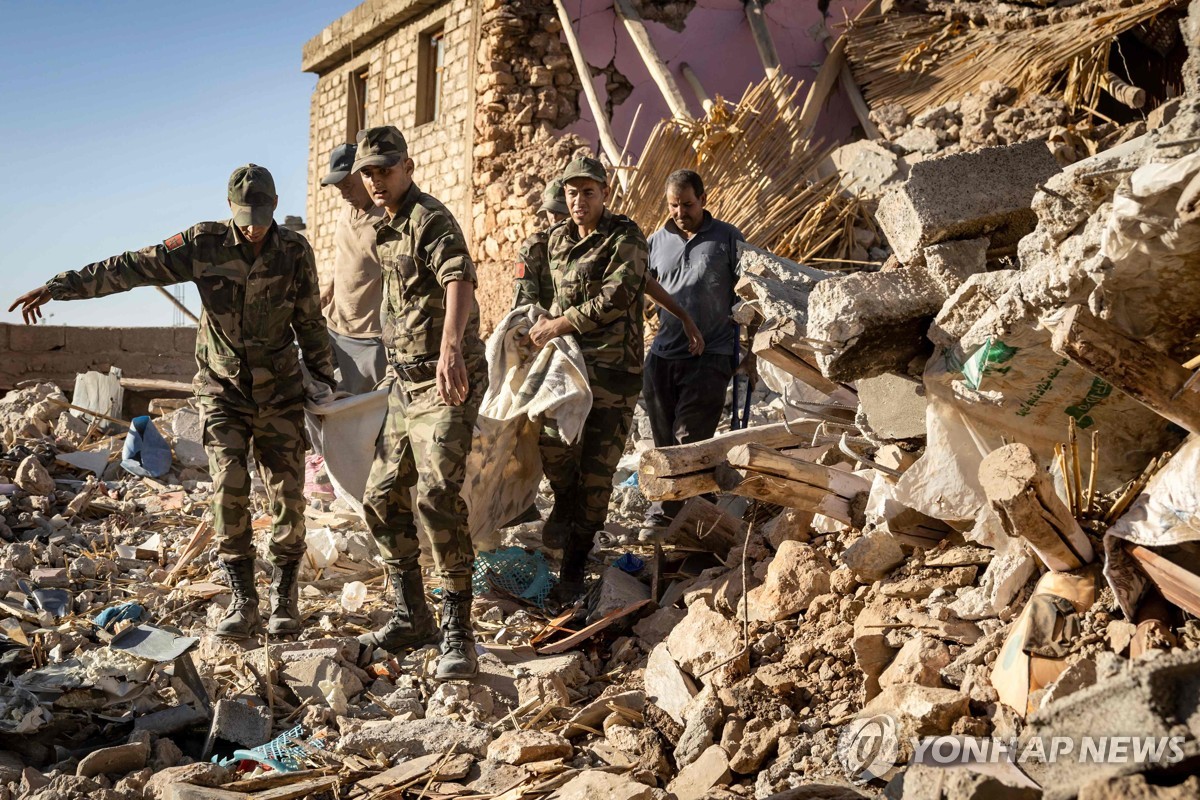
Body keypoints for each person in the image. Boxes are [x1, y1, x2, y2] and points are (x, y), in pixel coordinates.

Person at [9, 165, 338, 639]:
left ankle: (284, 600)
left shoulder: (293, 250)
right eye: (246, 215)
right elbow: (130, 268)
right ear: (229, 208)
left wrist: (322, 380)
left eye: (263, 214)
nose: (255, 225)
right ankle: (243, 601)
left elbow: (310, 319)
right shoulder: (202, 244)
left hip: (280, 392)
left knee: (287, 496)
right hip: (223, 392)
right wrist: (61, 286)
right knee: (229, 493)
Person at [351, 125, 487, 680]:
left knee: (435, 496)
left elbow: (458, 280)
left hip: (443, 381)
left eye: (386, 169)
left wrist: (451, 349)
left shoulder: (430, 219)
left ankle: (458, 630)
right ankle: (413, 617)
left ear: (407, 167)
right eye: (369, 172)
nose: (377, 180)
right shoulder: (384, 230)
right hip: (404, 387)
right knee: (380, 498)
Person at [527, 156, 648, 603]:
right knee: (552, 444)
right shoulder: (555, 241)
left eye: (588, 192)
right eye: (573, 193)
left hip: (615, 374)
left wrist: (560, 323)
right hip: (569, 370)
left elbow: (617, 295)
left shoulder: (625, 236)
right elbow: (541, 294)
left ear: (604, 193)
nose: (579, 201)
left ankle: (575, 567)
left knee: (598, 475)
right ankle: (563, 499)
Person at [638, 169, 750, 542]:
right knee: (666, 441)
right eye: (673, 205)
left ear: (703, 200)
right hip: (664, 355)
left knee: (690, 438)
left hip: (713, 352)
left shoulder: (727, 239)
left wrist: (748, 341)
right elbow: (644, 289)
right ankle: (682, 510)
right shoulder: (656, 241)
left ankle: (672, 516)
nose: (681, 213)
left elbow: (749, 289)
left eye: (687, 205)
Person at [318, 142, 389, 394]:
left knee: (360, 413)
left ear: (364, 174)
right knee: (308, 392)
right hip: (334, 326)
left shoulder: (387, 218)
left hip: (369, 338)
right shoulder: (346, 210)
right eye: (339, 188)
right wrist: (329, 290)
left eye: (347, 184)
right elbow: (348, 258)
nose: (343, 193)